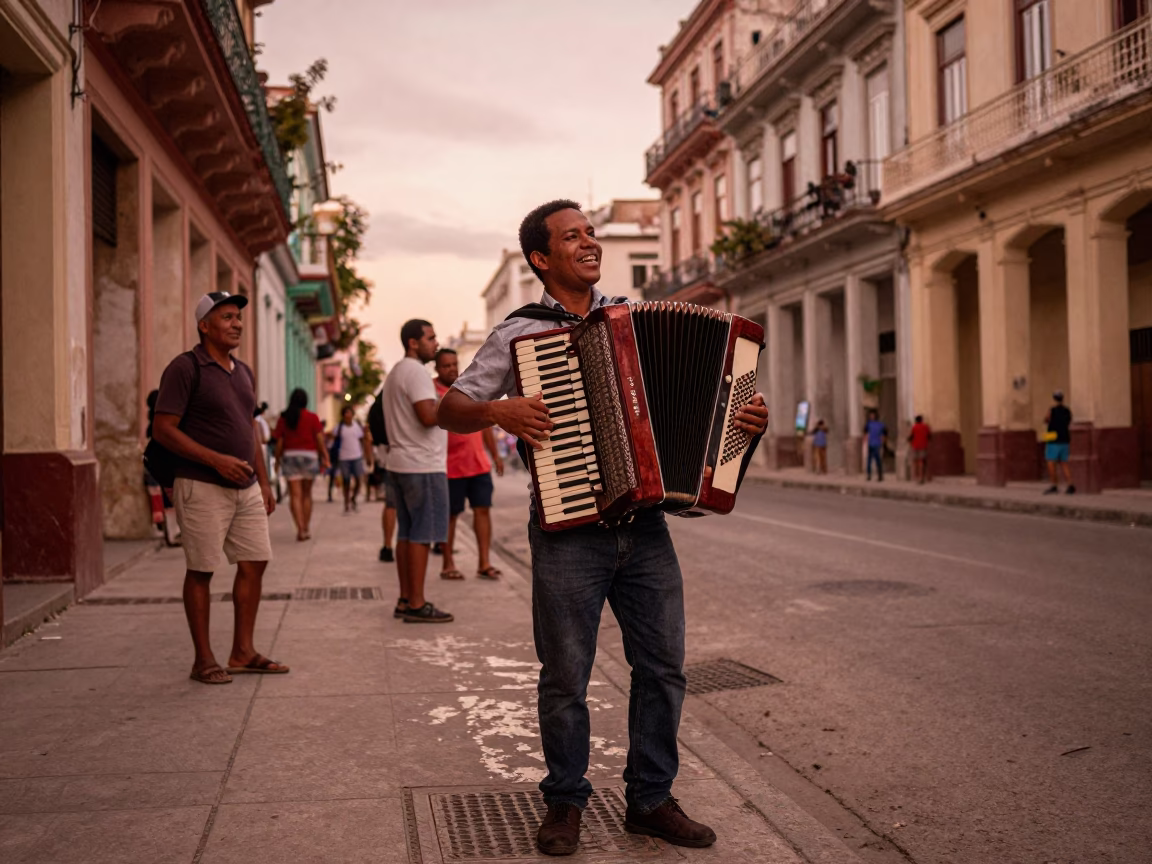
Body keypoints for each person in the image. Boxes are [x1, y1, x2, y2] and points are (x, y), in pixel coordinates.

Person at [438, 200, 768, 855]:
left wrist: (744, 422)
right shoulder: (517, 333)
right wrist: (498, 409)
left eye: (591, 233)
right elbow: (450, 408)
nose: (589, 243)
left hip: (647, 527)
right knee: (565, 675)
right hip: (567, 532)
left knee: (664, 668)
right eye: (573, 236)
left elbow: (718, 402)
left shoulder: (633, 318)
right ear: (542, 257)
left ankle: (650, 798)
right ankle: (565, 801)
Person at [152, 291, 287, 685]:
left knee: (255, 561)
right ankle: (203, 659)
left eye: (238, 318)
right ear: (204, 325)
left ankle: (242, 651)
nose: (236, 324)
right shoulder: (185, 368)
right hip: (201, 484)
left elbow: (249, 429)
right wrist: (216, 461)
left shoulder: (243, 371)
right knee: (201, 569)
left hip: (245, 487)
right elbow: (163, 429)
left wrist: (263, 481)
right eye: (226, 317)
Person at [381, 319, 453, 623]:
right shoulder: (417, 372)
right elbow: (426, 416)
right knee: (422, 535)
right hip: (423, 465)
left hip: (400, 462)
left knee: (407, 534)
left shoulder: (396, 372)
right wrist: (453, 408)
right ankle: (417, 603)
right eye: (430, 338)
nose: (435, 343)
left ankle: (405, 598)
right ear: (414, 343)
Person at [433, 348, 505, 580]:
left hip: (477, 464)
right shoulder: (433, 392)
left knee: (482, 511)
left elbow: (485, 424)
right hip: (449, 467)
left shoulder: (469, 389)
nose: (452, 369)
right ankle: (448, 563)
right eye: (446, 365)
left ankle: (484, 563)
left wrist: (495, 456)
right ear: (437, 368)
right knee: (450, 515)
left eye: (454, 364)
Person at [273, 388, 329, 541]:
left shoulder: (284, 418)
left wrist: (277, 461)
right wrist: (325, 456)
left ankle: (300, 529)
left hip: (290, 457)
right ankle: (306, 527)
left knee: (295, 496)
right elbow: (319, 439)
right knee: (306, 495)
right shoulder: (312, 417)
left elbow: (279, 442)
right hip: (309, 457)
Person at [333, 404, 373, 513]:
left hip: (356, 456)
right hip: (344, 457)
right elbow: (334, 440)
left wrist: (367, 456)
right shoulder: (339, 428)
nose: (348, 415)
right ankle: (346, 502)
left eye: (350, 412)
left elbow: (363, 441)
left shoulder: (357, 427)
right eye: (346, 412)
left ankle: (353, 498)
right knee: (346, 481)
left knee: (358, 481)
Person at [1044, 390, 1075, 495]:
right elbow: (1069, 421)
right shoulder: (1067, 410)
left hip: (1053, 439)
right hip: (1065, 439)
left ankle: (1054, 485)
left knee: (1050, 462)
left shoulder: (1051, 410)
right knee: (1064, 463)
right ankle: (1070, 484)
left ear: (1054, 399)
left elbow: (1046, 420)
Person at [864, 409, 887, 482]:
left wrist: (883, 442)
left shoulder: (881, 425)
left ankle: (880, 475)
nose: (871, 417)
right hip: (870, 444)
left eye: (873, 415)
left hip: (877, 444)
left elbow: (884, 434)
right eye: (871, 415)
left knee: (878, 460)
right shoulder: (868, 424)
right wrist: (865, 442)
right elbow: (865, 433)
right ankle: (869, 475)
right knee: (869, 460)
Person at [908, 415, 932, 484]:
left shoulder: (914, 427)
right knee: (921, 462)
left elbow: (911, 437)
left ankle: (916, 477)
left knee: (915, 462)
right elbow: (929, 436)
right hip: (923, 446)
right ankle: (922, 477)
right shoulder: (926, 427)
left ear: (916, 421)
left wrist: (909, 440)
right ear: (922, 420)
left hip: (915, 446)